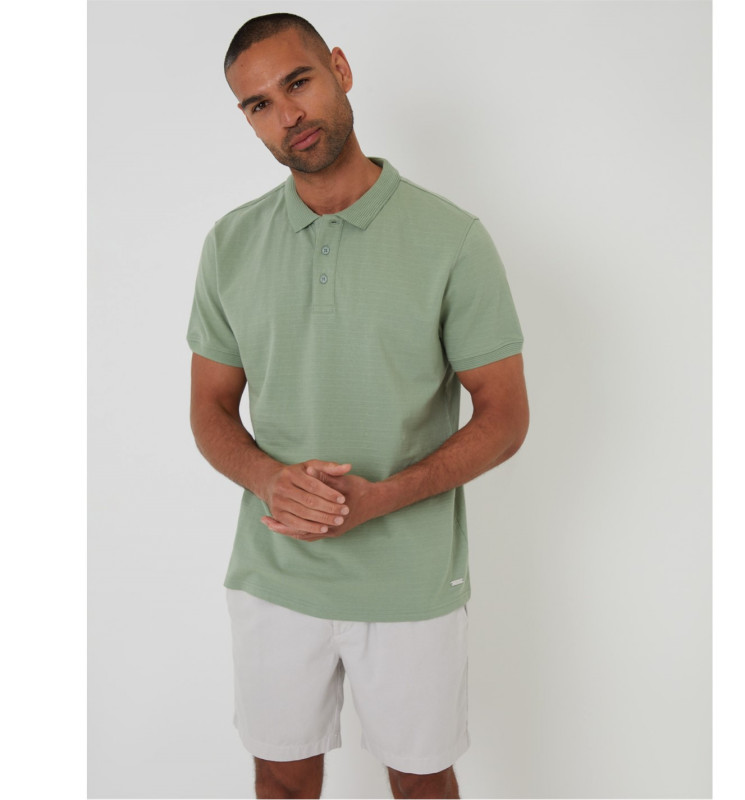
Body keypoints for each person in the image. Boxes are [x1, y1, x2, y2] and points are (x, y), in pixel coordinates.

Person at [187, 12, 529, 800]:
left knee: (420, 785)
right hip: (274, 575)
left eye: (298, 82)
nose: (288, 115)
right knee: (280, 780)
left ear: (339, 69)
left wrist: (384, 498)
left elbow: (505, 414)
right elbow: (209, 409)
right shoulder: (230, 244)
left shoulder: (452, 239)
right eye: (259, 105)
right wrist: (270, 480)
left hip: (409, 581)